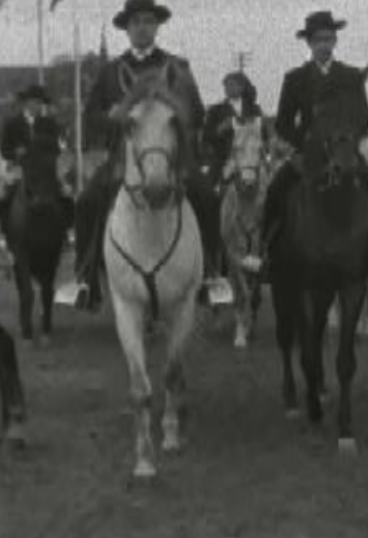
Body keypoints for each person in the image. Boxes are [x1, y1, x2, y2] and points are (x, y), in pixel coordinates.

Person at [67, 0, 208, 310]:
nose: (142, 27)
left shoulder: (178, 67)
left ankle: (209, 276)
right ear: (127, 29)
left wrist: (176, 112)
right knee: (88, 201)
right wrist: (113, 117)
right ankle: (86, 278)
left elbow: (197, 113)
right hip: (123, 159)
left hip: (172, 158)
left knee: (205, 194)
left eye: (148, 21)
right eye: (136, 22)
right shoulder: (110, 72)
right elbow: (90, 116)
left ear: (157, 26)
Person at [262, 10, 368, 286]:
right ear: (309, 43)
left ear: (335, 41)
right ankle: (264, 255)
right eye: (319, 39)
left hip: (344, 151)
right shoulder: (295, 78)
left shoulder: (350, 75)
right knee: (275, 190)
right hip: (309, 154)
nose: (324, 44)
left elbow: (365, 117)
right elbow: (284, 123)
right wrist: (303, 144)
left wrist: (349, 138)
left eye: (329, 38)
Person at [0, 84, 63, 236]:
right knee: (5, 195)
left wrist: (40, 146)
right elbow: (4, 149)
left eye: (40, 103)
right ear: (27, 102)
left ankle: (64, 229)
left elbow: (56, 148)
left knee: (64, 192)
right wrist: (15, 153)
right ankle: (5, 231)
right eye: (35, 102)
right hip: (19, 169)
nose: (38, 106)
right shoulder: (12, 124)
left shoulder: (49, 123)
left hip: (43, 170)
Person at [202, 71, 266, 190]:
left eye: (230, 85)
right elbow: (206, 137)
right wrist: (220, 129)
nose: (226, 88)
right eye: (225, 85)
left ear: (241, 87)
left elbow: (264, 134)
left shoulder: (254, 109)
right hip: (224, 158)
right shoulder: (215, 110)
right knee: (207, 189)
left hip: (251, 158)